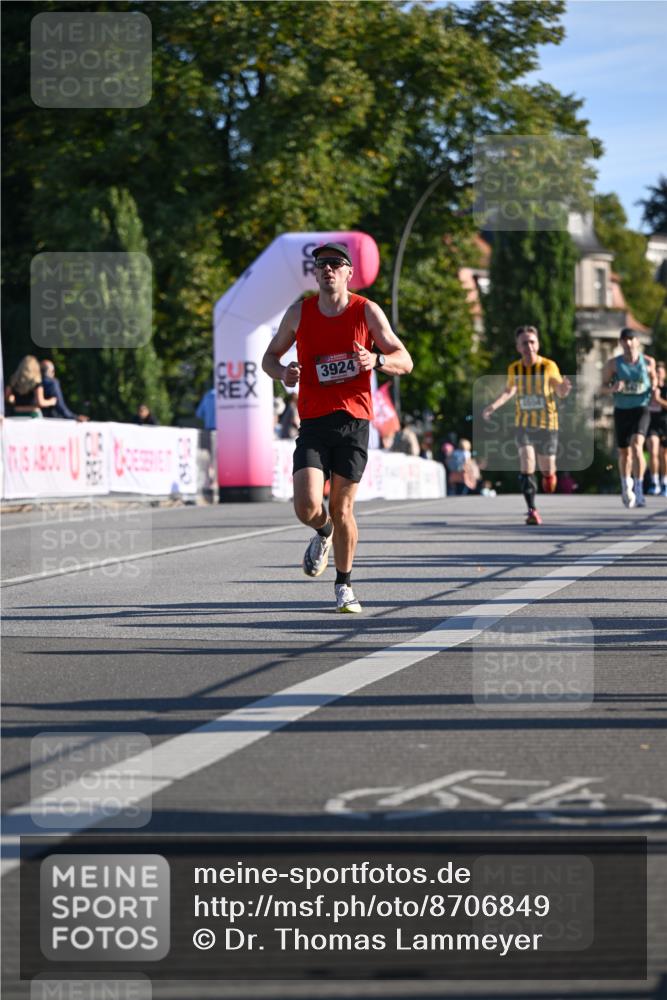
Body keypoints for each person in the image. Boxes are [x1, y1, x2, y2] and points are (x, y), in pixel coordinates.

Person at [261, 241, 413, 613]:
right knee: (306, 505)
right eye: (321, 265)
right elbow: (269, 358)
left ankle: (344, 585)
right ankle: (323, 530)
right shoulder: (299, 313)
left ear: (349, 272)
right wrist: (283, 373)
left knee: (342, 507)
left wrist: (376, 359)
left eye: (334, 263)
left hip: (353, 422)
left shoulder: (366, 311)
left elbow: (405, 360)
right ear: (315, 274)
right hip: (313, 421)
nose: (327, 269)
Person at [482, 325, 572, 525]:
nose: (529, 346)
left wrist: (564, 389)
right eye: (524, 343)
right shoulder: (514, 369)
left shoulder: (548, 366)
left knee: (547, 470)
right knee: (527, 461)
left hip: (547, 425)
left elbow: (558, 389)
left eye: (532, 342)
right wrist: (493, 406)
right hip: (523, 425)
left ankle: (549, 475)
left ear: (537, 344)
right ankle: (532, 510)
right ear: (518, 347)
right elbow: (509, 391)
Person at [599, 328, 656, 508]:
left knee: (637, 445)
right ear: (621, 343)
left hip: (641, 408)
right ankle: (626, 484)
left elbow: (654, 379)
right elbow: (601, 388)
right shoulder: (613, 365)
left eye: (631, 339)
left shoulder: (648, 362)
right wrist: (612, 388)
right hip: (622, 410)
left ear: (638, 342)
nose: (628, 343)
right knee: (624, 453)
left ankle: (639, 489)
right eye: (625, 340)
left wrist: (654, 387)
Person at [646, 360, 667, 496]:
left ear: (664, 374)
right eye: (656, 372)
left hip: (664, 424)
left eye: (660, 372)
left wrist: (658, 399)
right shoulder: (647, 389)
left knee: (664, 455)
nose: (658, 375)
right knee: (653, 451)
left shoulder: (665, 389)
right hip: (650, 423)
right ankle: (654, 482)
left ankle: (665, 482)